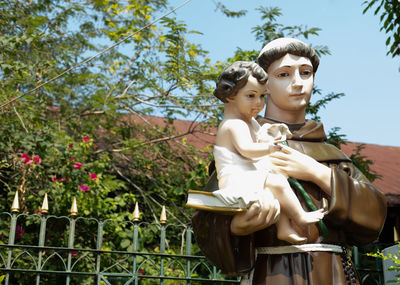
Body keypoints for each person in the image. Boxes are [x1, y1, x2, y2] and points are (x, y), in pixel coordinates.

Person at [191, 38, 387, 284]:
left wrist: (317, 173)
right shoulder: (244, 143)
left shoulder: (330, 155)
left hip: (333, 274)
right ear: (265, 84)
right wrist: (235, 229)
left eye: (306, 73)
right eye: (283, 74)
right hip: (272, 273)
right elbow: (207, 222)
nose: (298, 83)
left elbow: (375, 215)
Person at [187, 61, 325, 244]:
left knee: (278, 180)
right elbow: (248, 150)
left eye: (262, 96)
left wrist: (273, 132)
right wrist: (270, 148)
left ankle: (284, 228)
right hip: (238, 178)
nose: (259, 103)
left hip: (250, 172)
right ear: (230, 96)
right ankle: (299, 217)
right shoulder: (233, 125)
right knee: (276, 181)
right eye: (251, 96)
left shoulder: (249, 121)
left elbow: (260, 137)